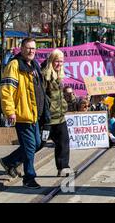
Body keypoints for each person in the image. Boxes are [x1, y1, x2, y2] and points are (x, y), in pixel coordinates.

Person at [0, 38, 50, 189]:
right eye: (28, 48)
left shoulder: (33, 65)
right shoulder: (14, 65)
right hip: (22, 115)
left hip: (34, 115)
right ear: (21, 49)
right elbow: (6, 90)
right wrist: (10, 112)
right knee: (29, 146)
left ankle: (9, 161)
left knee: (38, 143)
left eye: (33, 48)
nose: (31, 51)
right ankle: (29, 177)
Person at [41, 49, 71, 177]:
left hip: (59, 117)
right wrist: (44, 116)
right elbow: (42, 97)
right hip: (48, 118)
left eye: (61, 62)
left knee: (63, 142)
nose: (59, 64)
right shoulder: (44, 76)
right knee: (38, 144)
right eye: (57, 61)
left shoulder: (58, 75)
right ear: (51, 61)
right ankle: (12, 161)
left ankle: (63, 167)